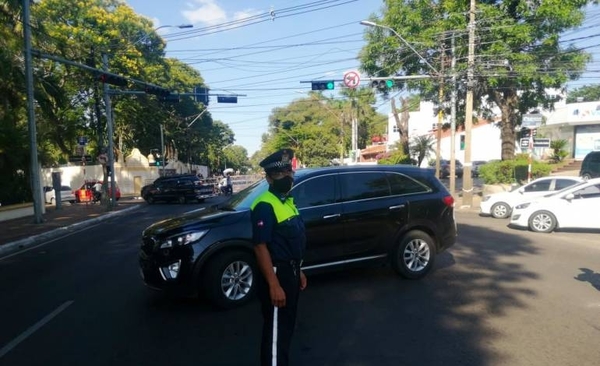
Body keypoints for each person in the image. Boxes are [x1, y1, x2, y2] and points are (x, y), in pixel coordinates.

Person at [250, 148, 307, 366]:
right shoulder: (265, 205)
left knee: (285, 327)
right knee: (276, 332)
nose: (287, 176)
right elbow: (260, 246)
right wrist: (274, 285)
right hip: (277, 273)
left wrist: (298, 269)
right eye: (280, 173)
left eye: (289, 171)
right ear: (268, 178)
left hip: (290, 272)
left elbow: (291, 242)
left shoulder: (287, 202)